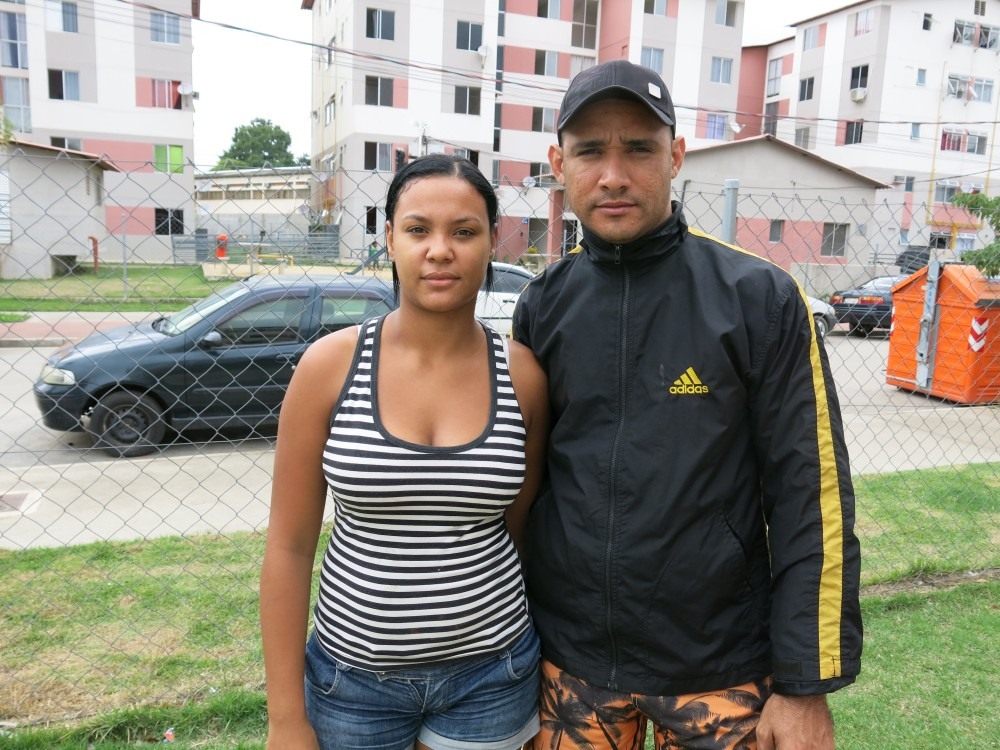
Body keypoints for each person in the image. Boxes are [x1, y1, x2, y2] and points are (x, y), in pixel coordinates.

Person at [511, 60, 862, 750]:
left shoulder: (759, 298)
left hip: (716, 667)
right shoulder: (542, 305)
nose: (613, 174)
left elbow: (810, 497)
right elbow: (523, 488)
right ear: (559, 163)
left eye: (638, 148)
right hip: (571, 664)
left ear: (675, 156)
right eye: (589, 151)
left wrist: (804, 685)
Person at [260, 154, 549, 750]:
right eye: (418, 229)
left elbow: (518, 529)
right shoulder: (329, 367)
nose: (440, 250)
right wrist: (285, 718)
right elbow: (288, 548)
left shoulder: (523, 376)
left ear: (494, 241)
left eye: (464, 231)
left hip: (492, 678)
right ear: (389, 238)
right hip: (352, 685)